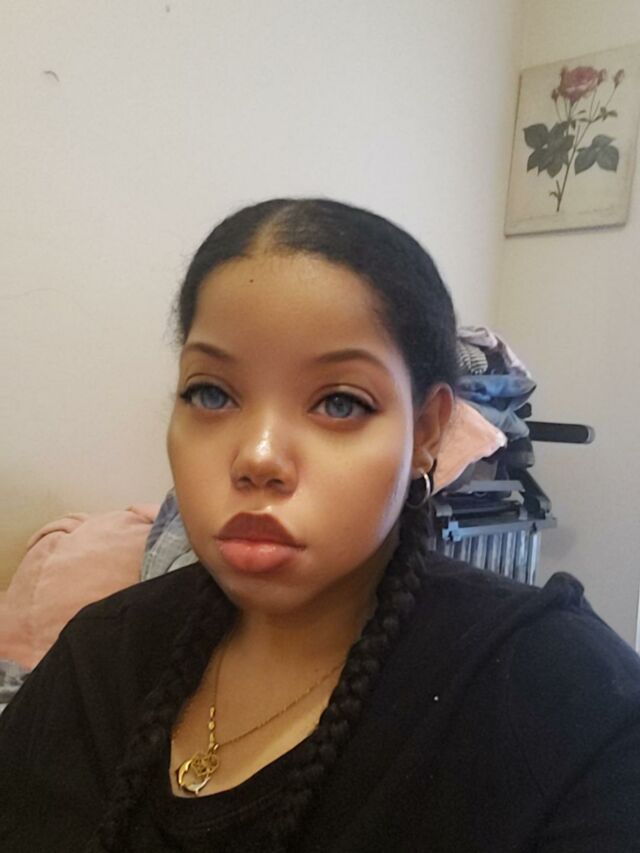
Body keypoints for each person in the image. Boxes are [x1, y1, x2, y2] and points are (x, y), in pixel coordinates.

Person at [1, 198, 640, 853]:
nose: (257, 458)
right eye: (211, 393)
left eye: (339, 402)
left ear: (426, 433)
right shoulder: (95, 663)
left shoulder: (562, 697)